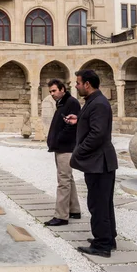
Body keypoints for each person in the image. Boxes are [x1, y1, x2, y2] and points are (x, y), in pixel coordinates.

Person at [64, 70, 118, 258]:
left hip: (99, 162)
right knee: (103, 202)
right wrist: (79, 121)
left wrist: (79, 151)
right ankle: (108, 238)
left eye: (78, 83)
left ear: (87, 84)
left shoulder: (99, 104)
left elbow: (98, 134)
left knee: (98, 203)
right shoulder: (95, 102)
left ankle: (102, 244)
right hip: (98, 161)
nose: (76, 86)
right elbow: (94, 125)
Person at [44, 79, 81, 227]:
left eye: (54, 90)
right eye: (50, 91)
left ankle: (61, 216)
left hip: (65, 147)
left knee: (63, 181)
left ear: (62, 89)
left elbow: (72, 126)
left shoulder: (71, 102)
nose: (52, 94)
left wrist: (59, 139)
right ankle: (74, 209)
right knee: (68, 178)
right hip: (61, 146)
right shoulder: (62, 103)